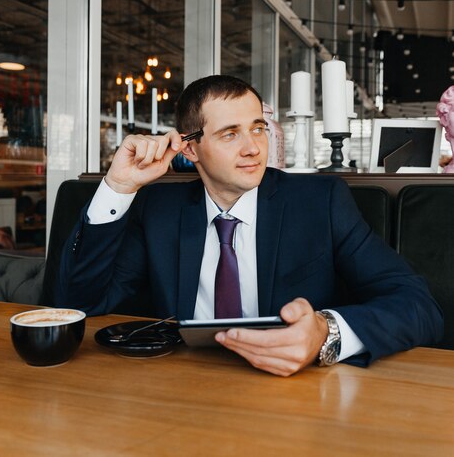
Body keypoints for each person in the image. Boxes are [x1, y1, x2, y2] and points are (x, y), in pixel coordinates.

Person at [57, 75, 443, 376]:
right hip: (181, 390)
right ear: (190, 149)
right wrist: (118, 187)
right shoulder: (158, 208)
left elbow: (417, 305)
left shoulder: (320, 201)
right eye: (230, 134)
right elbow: (81, 303)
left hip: (293, 394)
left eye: (257, 128)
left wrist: (326, 333)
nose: (253, 148)